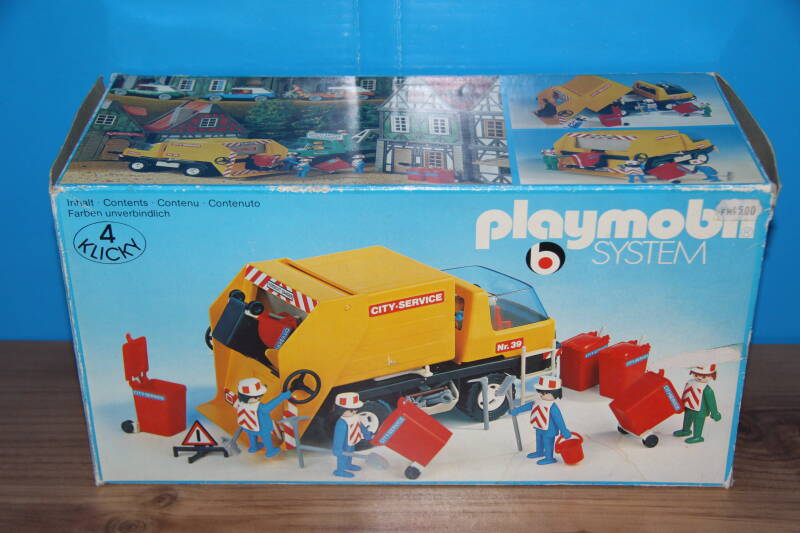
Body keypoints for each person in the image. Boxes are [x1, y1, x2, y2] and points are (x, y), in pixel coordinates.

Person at [509, 376, 572, 465]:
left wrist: (564, 430)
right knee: (539, 440)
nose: (541, 395)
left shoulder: (552, 407)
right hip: (539, 427)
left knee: (548, 442)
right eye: (541, 392)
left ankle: (549, 458)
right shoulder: (538, 401)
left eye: (544, 393)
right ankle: (539, 452)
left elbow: (559, 420)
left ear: (555, 393)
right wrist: (517, 410)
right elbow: (528, 406)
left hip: (549, 430)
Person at [233, 378, 293, 457]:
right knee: (266, 437)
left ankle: (253, 447)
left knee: (251, 435)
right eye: (257, 397)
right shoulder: (259, 406)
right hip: (262, 428)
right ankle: (270, 451)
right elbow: (269, 407)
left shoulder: (240, 402)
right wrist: (283, 396)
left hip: (247, 426)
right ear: (250, 397)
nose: (259, 398)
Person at [674, 365, 722, 444]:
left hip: (700, 410)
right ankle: (686, 430)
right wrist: (681, 403)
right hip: (689, 407)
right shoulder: (690, 383)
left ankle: (697, 437)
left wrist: (715, 413)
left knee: (698, 423)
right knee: (687, 419)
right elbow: (685, 394)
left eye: (703, 376)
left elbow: (711, 402)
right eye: (696, 375)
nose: (699, 377)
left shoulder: (707, 389)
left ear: (711, 376)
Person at [331, 392, 374, 478]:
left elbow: (361, 426)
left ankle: (348, 465)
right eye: (351, 410)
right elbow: (338, 437)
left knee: (350, 453)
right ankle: (340, 470)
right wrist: (337, 448)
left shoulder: (355, 417)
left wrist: (366, 434)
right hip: (345, 444)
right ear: (341, 410)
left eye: (356, 409)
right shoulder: (342, 422)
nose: (354, 411)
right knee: (343, 456)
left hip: (352, 441)